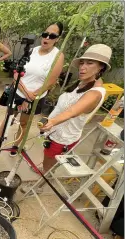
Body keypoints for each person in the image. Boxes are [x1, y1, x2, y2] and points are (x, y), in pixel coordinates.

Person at [22, 44, 110, 195]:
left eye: (90, 63)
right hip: (54, 131)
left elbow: (72, 111)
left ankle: (38, 185)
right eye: (82, 63)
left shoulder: (95, 93)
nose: (83, 67)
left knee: (50, 163)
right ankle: (44, 169)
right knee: (47, 158)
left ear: (101, 67)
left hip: (63, 137)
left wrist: (52, 122)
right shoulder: (82, 83)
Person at [0, 22, 65, 156]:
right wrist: (25, 92)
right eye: (45, 34)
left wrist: (32, 96)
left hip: (36, 97)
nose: (47, 38)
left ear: (58, 39)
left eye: (52, 36)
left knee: (24, 123)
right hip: (19, 91)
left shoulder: (57, 57)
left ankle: (15, 146)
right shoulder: (32, 50)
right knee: (9, 116)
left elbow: (50, 82)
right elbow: (16, 73)